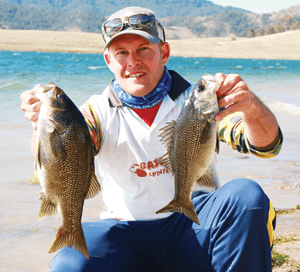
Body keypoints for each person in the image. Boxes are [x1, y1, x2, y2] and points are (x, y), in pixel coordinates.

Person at [20, 6, 282, 272]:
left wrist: (250, 107)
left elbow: (267, 147)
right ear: (109, 60)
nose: (133, 61)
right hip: (126, 233)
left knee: (247, 198)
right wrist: (39, 124)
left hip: (194, 226)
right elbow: (59, 158)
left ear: (164, 52)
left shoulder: (199, 103)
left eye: (143, 49)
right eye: (121, 52)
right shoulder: (93, 113)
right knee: (70, 260)